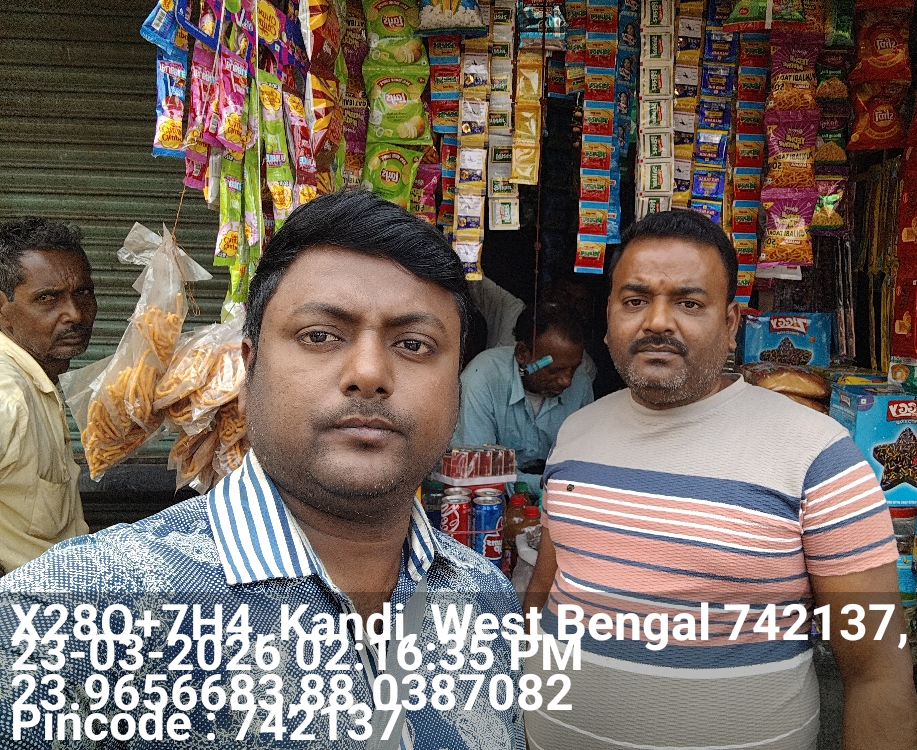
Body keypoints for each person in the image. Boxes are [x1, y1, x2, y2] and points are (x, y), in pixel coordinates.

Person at [0, 192, 525, 749]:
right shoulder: (73, 611)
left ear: (456, 387)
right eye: (319, 335)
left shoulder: (485, 598)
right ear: (248, 372)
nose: (370, 372)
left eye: (414, 344)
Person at [523, 210, 917, 750]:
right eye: (635, 300)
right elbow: (547, 591)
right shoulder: (575, 432)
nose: (657, 322)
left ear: (731, 324)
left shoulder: (817, 453)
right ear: (609, 315)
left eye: (689, 303)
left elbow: (877, 674)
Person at [0, 218, 95, 575]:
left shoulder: (37, 380)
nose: (75, 313)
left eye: (83, 292)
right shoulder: (8, 393)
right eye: (47, 298)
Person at [452, 301, 593, 496]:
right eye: (554, 370)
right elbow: (476, 472)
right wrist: (548, 484)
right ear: (522, 353)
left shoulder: (581, 383)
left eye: (574, 368)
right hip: (490, 500)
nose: (567, 381)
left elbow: (582, 463)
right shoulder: (482, 380)